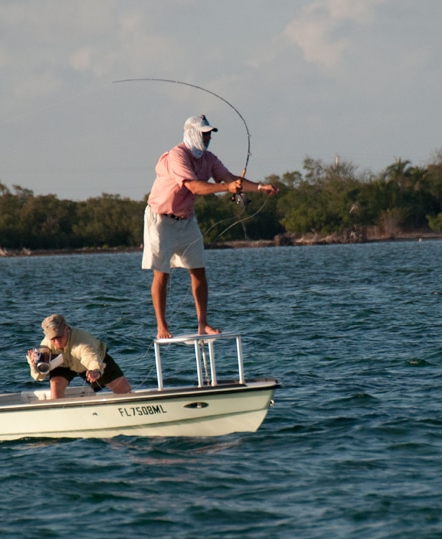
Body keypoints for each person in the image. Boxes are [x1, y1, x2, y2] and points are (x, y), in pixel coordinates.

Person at [143, 114, 279, 339]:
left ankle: (202, 323)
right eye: (204, 134)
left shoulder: (209, 158)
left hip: (186, 219)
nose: (207, 138)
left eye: (209, 135)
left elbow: (228, 177)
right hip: (160, 219)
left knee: (198, 271)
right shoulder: (177, 156)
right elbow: (195, 187)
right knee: (162, 274)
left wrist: (260, 187)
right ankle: (162, 326)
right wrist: (227, 188)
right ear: (191, 133)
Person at [27, 314, 132, 398]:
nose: (57, 341)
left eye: (60, 336)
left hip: (94, 362)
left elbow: (91, 357)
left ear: (66, 328)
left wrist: (95, 370)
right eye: (53, 338)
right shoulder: (45, 347)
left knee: (124, 391)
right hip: (63, 364)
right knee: (55, 388)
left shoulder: (82, 342)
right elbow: (39, 377)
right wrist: (34, 367)